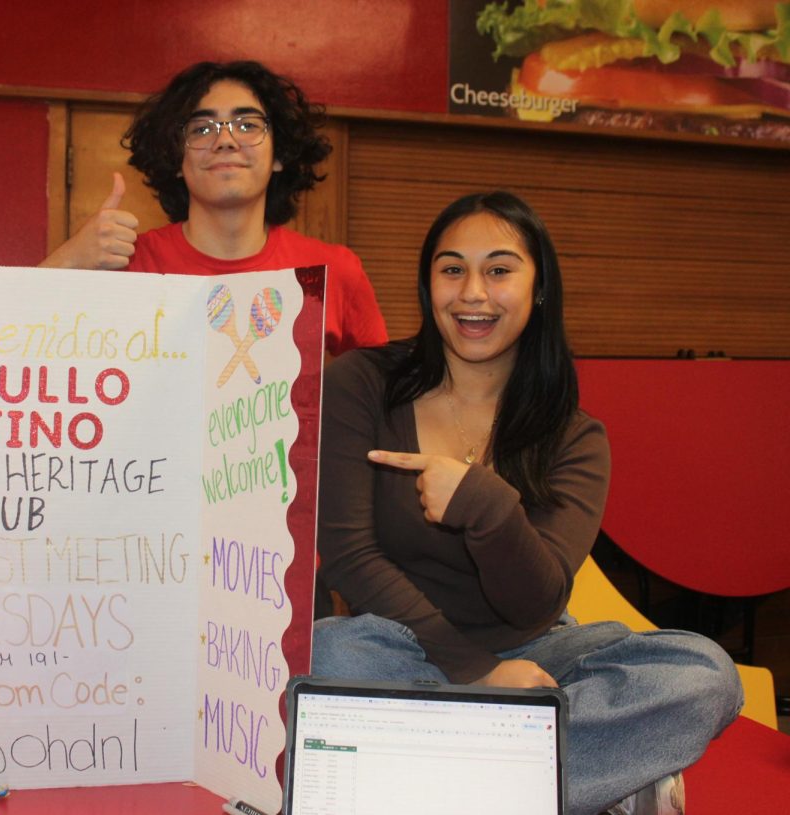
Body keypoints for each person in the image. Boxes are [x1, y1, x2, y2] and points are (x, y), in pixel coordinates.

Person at [311, 191, 742, 815]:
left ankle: (425, 783)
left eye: (500, 270)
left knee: (704, 674)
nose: (472, 293)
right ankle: (585, 778)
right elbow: (350, 553)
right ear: (428, 282)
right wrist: (473, 671)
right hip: (397, 647)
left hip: (536, 656)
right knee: (333, 652)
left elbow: (538, 600)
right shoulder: (362, 382)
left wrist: (488, 507)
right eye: (452, 268)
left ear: (538, 288)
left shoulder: (575, 436)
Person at [41, 60, 388, 356]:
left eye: (248, 125)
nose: (225, 140)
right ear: (177, 158)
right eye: (202, 128)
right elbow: (4, 347)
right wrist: (69, 259)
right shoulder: (129, 265)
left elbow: (382, 400)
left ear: (279, 155)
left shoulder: (335, 271)